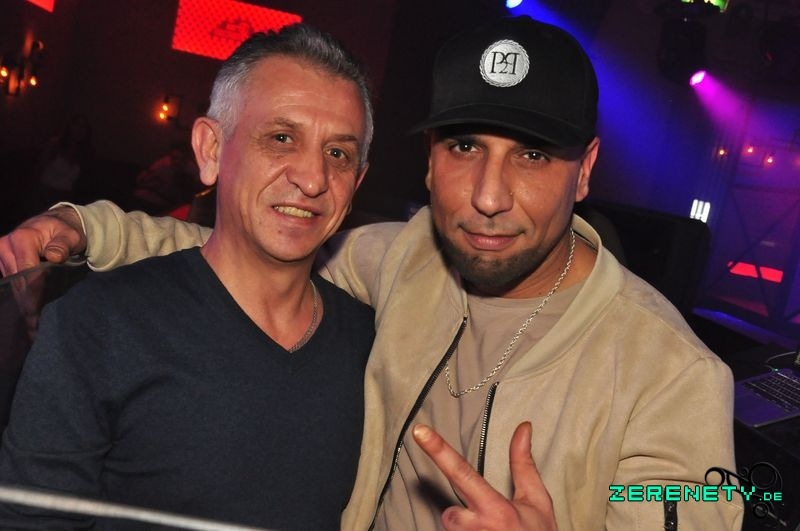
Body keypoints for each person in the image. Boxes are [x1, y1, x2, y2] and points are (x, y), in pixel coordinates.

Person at [0, 16, 743, 531]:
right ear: (428, 162)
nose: (488, 196)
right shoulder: (408, 262)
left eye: (532, 155)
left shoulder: (671, 374)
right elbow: (252, 245)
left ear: (584, 171)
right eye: (464, 148)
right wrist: (86, 227)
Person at [0, 23, 375, 530]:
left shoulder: (369, 347)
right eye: (281, 138)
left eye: (338, 154)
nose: (313, 179)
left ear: (357, 181)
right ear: (211, 150)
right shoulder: (98, 326)